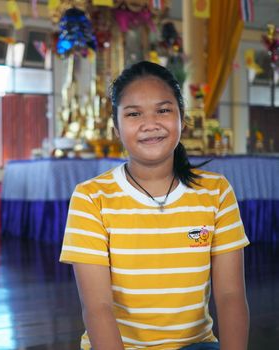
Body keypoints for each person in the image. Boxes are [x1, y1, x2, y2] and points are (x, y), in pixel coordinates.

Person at [59, 61, 249, 350]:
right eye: (134, 114)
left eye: (163, 110)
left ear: (182, 119)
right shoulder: (91, 198)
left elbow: (231, 295)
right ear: (115, 128)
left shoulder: (216, 191)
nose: (151, 124)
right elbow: (98, 308)